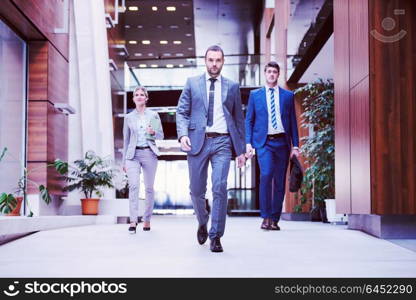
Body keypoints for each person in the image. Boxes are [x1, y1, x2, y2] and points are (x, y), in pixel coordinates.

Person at [176, 45, 246, 252]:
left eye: (218, 60)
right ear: (205, 61)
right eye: (211, 60)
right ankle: (202, 220)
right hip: (197, 141)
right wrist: (182, 134)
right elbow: (181, 112)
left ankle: (216, 235)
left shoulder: (232, 87)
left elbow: (238, 120)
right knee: (196, 191)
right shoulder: (192, 83)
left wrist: (240, 150)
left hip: (223, 142)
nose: (214, 64)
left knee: (220, 187)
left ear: (223, 62)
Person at [245, 61, 300, 231]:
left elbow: (292, 122)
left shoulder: (288, 96)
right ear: (265, 73)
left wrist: (295, 146)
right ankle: (265, 216)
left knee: (279, 181)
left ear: (278, 74)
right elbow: (249, 120)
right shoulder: (255, 95)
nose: (271, 74)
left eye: (274, 72)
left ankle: (275, 219)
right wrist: (248, 143)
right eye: (269, 71)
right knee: (266, 174)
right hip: (264, 142)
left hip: (282, 142)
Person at [122, 86, 164, 234]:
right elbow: (126, 141)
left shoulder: (154, 115)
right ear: (133, 98)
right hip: (132, 156)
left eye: (142, 95)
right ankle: (133, 221)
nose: (139, 97)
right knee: (133, 186)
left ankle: (147, 219)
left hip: (149, 153)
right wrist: (123, 162)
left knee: (149, 188)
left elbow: (160, 136)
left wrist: (153, 132)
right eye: (136, 95)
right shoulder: (128, 117)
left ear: (146, 98)